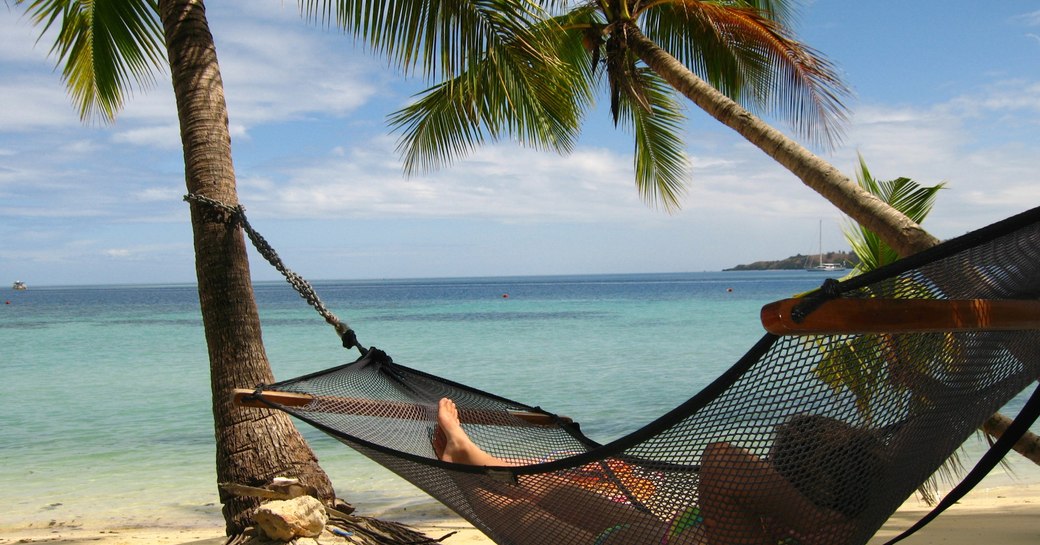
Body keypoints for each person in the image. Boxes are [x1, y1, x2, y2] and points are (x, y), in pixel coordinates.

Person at [432, 398, 863, 545]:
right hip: (660, 533)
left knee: (532, 522)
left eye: (773, 463)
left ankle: (453, 467)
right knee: (556, 490)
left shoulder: (802, 531)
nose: (765, 465)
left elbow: (721, 459)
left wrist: (812, 518)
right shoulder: (826, 513)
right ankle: (471, 453)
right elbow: (924, 423)